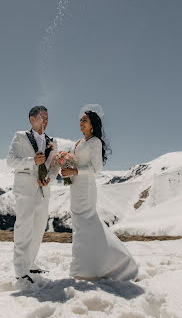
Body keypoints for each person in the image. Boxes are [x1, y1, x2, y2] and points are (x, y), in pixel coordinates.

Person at [61, 104, 138, 281]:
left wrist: (75, 172)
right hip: (76, 187)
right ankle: (87, 267)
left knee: (87, 224)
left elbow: (96, 168)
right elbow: (76, 163)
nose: (81, 123)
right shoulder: (78, 142)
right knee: (80, 226)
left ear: (93, 124)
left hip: (86, 187)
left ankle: (98, 266)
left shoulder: (95, 142)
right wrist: (66, 167)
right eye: (80, 120)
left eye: (85, 120)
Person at [7, 105, 59, 283]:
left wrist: (49, 178)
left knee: (38, 231)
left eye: (47, 117)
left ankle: (30, 264)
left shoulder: (52, 141)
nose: (45, 120)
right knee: (23, 230)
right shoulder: (20, 136)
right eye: (42, 117)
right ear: (32, 119)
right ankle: (20, 271)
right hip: (25, 191)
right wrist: (31, 161)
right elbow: (11, 161)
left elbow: (55, 166)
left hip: (44, 192)